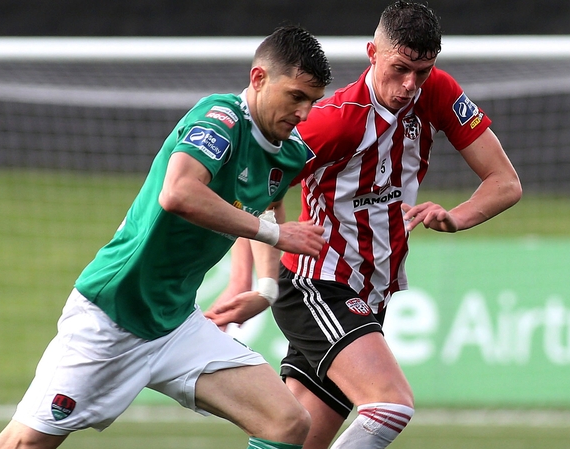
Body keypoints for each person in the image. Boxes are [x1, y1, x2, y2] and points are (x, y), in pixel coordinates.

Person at [0, 25, 333, 449]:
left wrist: (267, 287)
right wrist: (274, 235)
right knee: (22, 444)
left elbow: (268, 203)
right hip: (112, 315)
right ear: (259, 78)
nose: (304, 113)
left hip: (175, 324)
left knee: (287, 422)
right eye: (296, 96)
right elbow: (178, 193)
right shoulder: (220, 118)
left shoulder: (289, 151)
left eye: (313, 101)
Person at [205, 2, 523, 449]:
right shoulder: (334, 122)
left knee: (293, 438)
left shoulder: (437, 92)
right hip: (317, 283)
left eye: (422, 72)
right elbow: (253, 191)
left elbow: (505, 183)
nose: (410, 85)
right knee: (390, 406)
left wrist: (457, 217)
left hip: (371, 293)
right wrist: (249, 281)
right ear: (373, 54)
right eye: (400, 69)